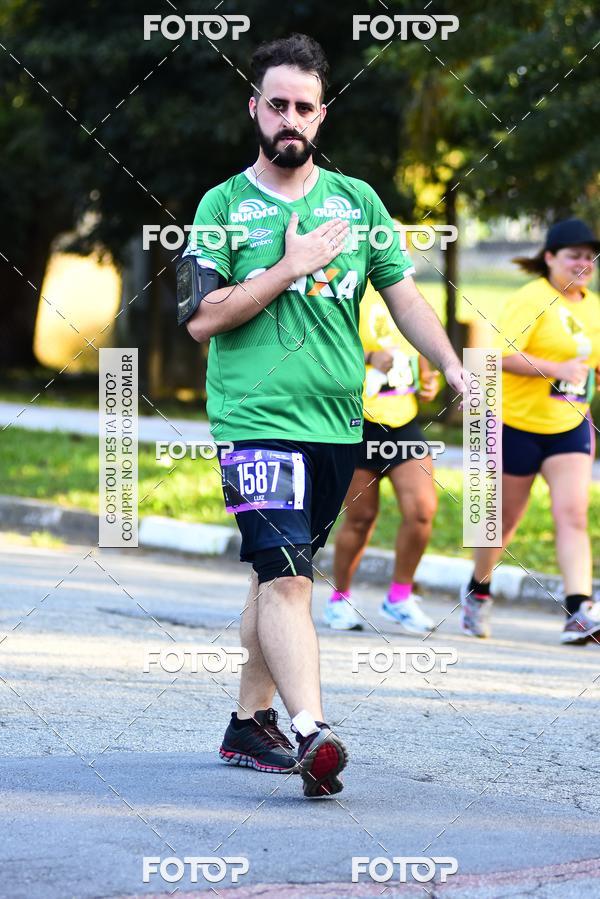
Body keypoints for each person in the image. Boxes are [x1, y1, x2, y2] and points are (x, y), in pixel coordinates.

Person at [181, 33, 465, 797]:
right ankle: (311, 729)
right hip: (254, 419)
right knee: (287, 579)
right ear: (255, 107)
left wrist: (451, 361)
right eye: (277, 104)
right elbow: (202, 318)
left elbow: (403, 295)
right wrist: (289, 266)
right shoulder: (221, 206)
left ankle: (249, 722)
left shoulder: (359, 203)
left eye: (304, 107)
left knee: (277, 579)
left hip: (338, 426)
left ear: (322, 115)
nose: (290, 118)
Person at [461, 219, 600, 644]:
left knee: (573, 514)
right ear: (550, 257)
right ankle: (478, 591)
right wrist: (555, 368)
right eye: (573, 254)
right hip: (515, 426)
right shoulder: (531, 299)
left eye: (588, 255)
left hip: (569, 425)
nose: (583, 262)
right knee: (502, 524)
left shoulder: (593, 305)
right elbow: (498, 356)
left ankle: (579, 608)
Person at [326, 282, 440, 632]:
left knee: (422, 510)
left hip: (401, 422)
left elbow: (421, 351)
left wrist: (428, 379)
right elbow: (318, 349)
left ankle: (400, 597)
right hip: (354, 422)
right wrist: (368, 357)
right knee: (361, 519)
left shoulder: (409, 296)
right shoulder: (339, 288)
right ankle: (339, 599)